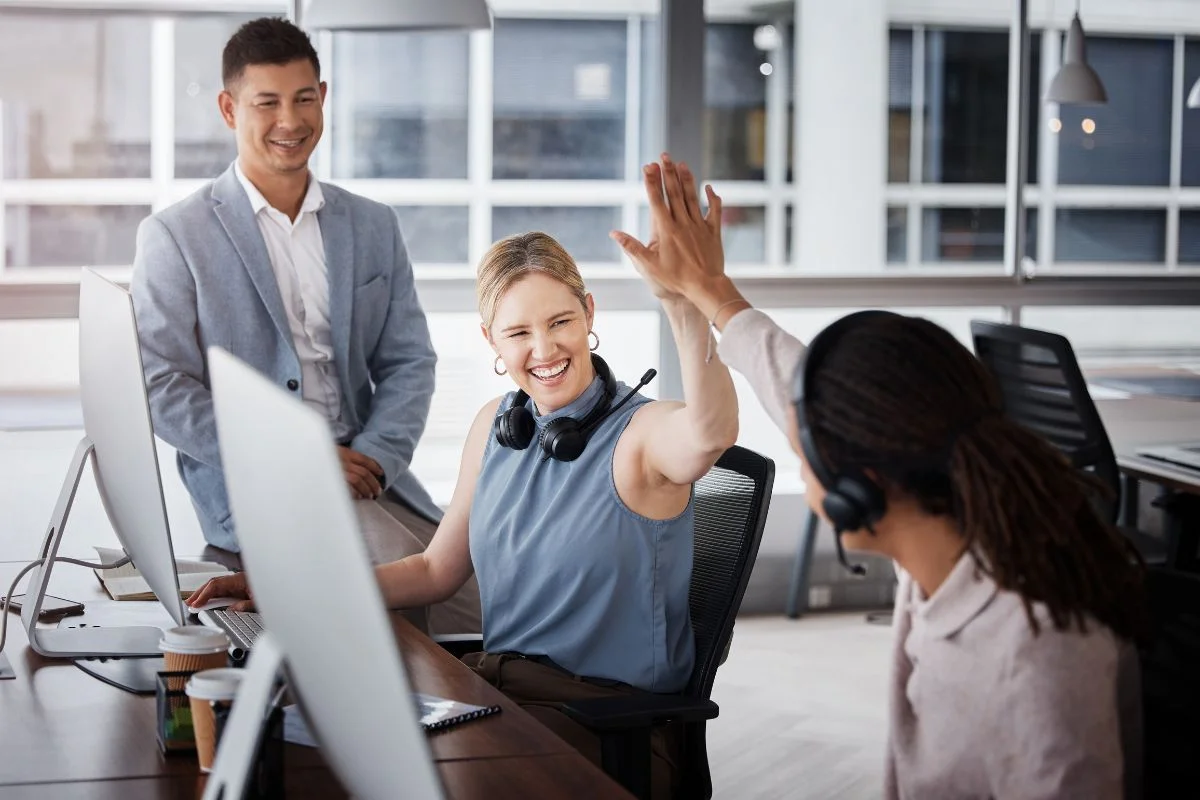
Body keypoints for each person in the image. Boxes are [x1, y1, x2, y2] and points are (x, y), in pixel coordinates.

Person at [189, 162, 740, 797]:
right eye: (518, 332)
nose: (545, 349)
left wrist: (686, 300)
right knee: (308, 745)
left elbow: (710, 431)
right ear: (491, 342)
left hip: (606, 730)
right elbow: (434, 571)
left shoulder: (641, 435)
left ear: (589, 313)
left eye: (560, 321)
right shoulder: (498, 424)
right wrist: (283, 589)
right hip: (495, 695)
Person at [614, 156, 1149, 798]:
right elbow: (793, 377)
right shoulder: (948, 548)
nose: (795, 438)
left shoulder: (1040, 655)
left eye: (805, 439)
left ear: (859, 482)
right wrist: (710, 291)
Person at [131, 17, 480, 635]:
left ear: (324, 97)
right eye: (267, 103)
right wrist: (299, 459)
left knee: (491, 588)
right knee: (419, 598)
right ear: (228, 108)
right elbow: (159, 386)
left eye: (304, 99)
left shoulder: (372, 225)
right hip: (260, 491)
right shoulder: (175, 237)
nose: (290, 121)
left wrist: (372, 459)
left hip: (374, 483)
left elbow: (409, 363)